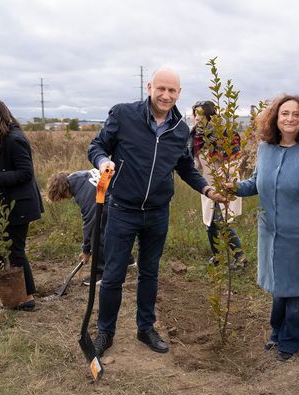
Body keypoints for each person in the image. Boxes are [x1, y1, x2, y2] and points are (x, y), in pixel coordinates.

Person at [88, 66, 224, 356]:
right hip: (123, 209)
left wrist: (208, 190)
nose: (165, 95)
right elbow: (97, 146)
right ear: (149, 87)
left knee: (150, 273)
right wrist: (102, 163)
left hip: (158, 212)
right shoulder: (123, 115)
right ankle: (105, 332)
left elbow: (185, 167)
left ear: (179, 94)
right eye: (161, 88)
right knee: (113, 274)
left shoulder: (180, 129)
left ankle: (145, 328)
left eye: (172, 90)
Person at [232, 95, 299, 361]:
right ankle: (276, 331)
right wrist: (232, 187)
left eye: (296, 114)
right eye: (285, 113)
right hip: (270, 231)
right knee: (278, 284)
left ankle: (290, 341)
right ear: (275, 117)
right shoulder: (266, 148)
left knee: (296, 289)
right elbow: (255, 183)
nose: (290, 119)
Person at [0, 99, 43, 311]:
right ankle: (12, 291)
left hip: (18, 206)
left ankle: (27, 296)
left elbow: (26, 173)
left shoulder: (14, 139)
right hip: (0, 206)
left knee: (15, 251)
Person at [46, 169, 136, 286]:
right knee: (114, 232)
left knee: (96, 234)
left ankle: (101, 273)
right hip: (124, 198)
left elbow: (89, 223)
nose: (67, 198)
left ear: (64, 189)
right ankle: (128, 261)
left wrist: (86, 250)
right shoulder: (80, 176)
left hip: (114, 203)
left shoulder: (83, 194)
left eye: (63, 196)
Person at [190, 100, 246, 268]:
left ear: (210, 115)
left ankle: (240, 257)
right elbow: (197, 164)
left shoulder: (227, 133)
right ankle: (218, 257)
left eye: (200, 114)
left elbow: (237, 158)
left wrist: (226, 168)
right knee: (210, 222)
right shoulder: (195, 137)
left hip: (226, 182)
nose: (196, 118)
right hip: (208, 185)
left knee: (222, 221)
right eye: (194, 115)